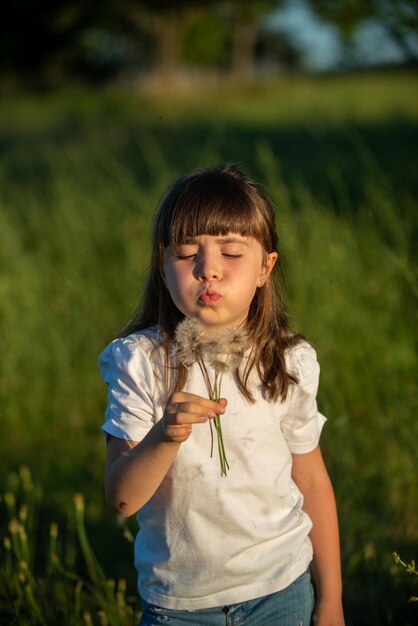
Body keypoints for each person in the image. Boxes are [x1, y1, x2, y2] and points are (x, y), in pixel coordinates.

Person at [99, 163, 345, 626]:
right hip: (181, 604)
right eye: (187, 251)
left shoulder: (286, 362)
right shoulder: (141, 363)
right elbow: (122, 499)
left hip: (282, 588)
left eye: (231, 253)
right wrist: (164, 436)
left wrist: (330, 600)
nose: (208, 269)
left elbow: (311, 481)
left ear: (265, 268)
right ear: (162, 266)